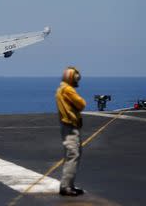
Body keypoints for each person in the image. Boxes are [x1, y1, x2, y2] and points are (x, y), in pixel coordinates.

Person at [55, 66, 86, 196]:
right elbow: (81, 104)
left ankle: (69, 185)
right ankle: (66, 186)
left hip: (67, 125)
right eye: (75, 79)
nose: (76, 82)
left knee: (72, 154)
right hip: (70, 126)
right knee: (73, 154)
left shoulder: (61, 89)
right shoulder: (67, 89)